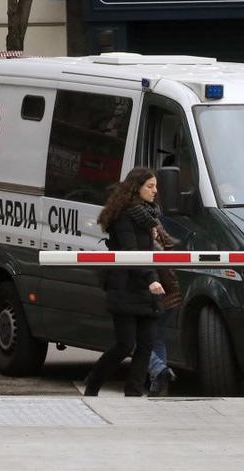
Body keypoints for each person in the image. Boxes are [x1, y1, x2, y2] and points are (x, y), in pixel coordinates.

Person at [84, 167, 165, 397]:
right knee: (125, 345)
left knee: (147, 344)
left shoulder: (148, 216)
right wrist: (150, 279)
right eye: (150, 186)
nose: (155, 191)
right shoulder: (124, 216)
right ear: (136, 187)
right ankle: (93, 382)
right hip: (126, 286)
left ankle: (134, 392)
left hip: (145, 284)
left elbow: (150, 250)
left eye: (156, 186)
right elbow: (131, 252)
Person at [147, 223, 183, 397]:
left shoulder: (138, 219)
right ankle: (158, 386)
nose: (155, 193)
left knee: (136, 339)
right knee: (158, 339)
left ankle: (159, 370)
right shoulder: (153, 218)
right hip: (169, 291)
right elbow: (171, 244)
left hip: (153, 291)